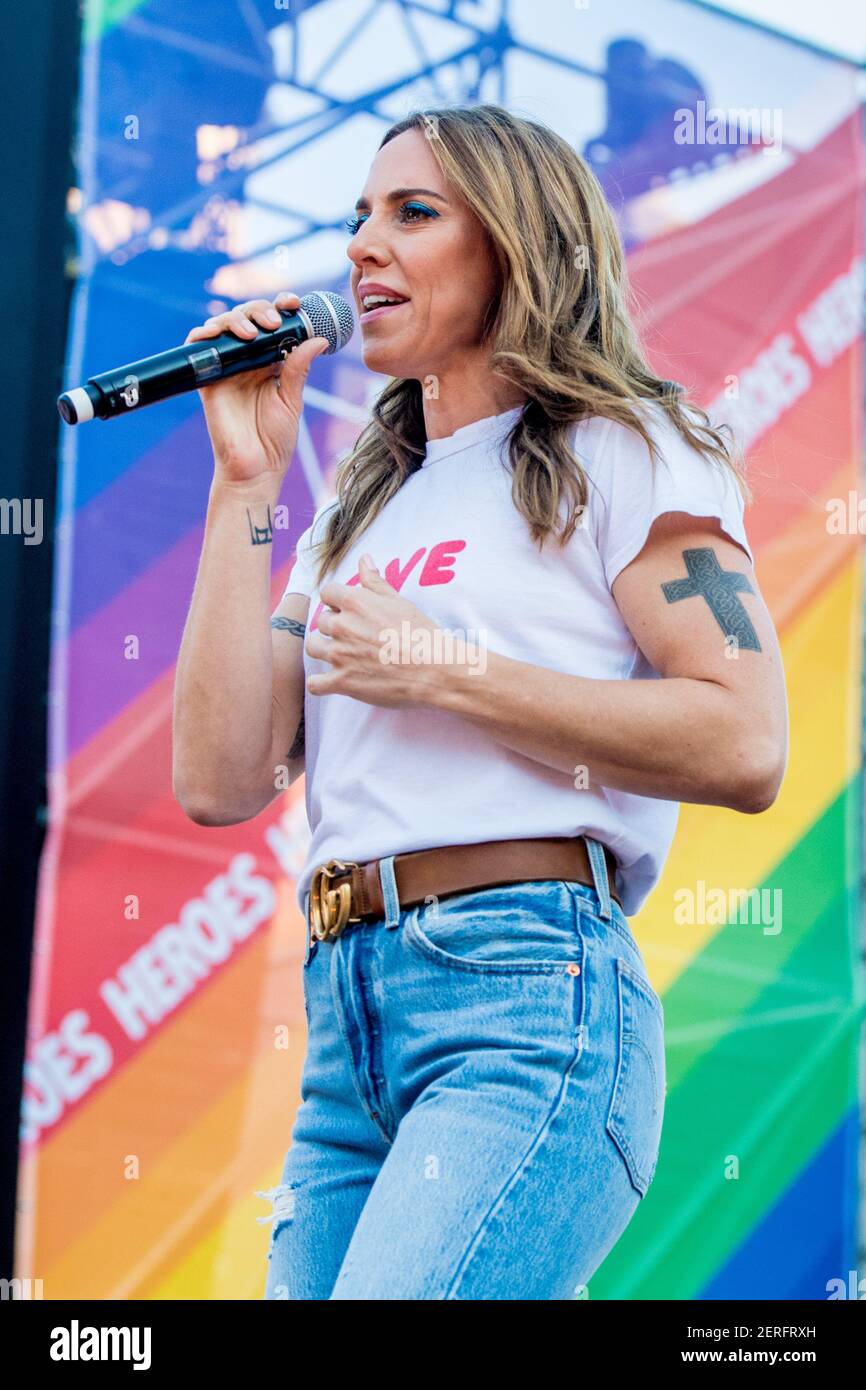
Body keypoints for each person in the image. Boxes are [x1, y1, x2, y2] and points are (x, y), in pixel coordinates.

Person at [172, 103, 788, 1300]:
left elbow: (743, 737)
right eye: (356, 215)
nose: (360, 245)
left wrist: (447, 669)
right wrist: (243, 481)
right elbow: (220, 777)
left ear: (517, 241)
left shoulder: (622, 445)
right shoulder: (363, 501)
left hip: (522, 1005)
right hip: (347, 1022)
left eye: (411, 212)